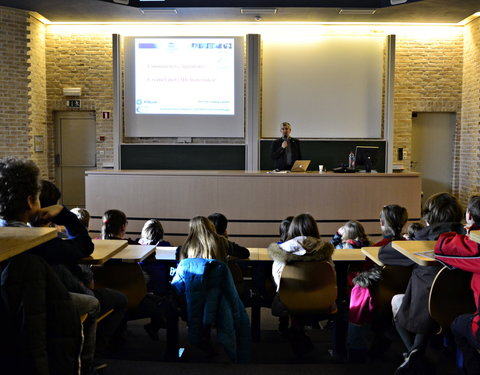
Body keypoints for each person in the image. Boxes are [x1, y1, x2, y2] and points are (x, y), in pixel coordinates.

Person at [0, 157, 98, 374]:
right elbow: (84, 247)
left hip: (6, 316)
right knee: (91, 304)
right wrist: (64, 214)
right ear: (30, 202)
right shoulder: (37, 242)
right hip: (34, 309)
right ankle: (86, 366)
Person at [379, 192, 465, 374]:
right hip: (463, 305)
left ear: (429, 216)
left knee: (398, 301)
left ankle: (414, 353)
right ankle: (416, 354)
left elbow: (384, 254)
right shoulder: (468, 238)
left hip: (424, 309)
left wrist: (408, 243)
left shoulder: (422, 239)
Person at [172, 216, 251, 362]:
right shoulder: (221, 241)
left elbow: (180, 269)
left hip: (192, 296)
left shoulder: (184, 247)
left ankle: (199, 339)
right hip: (219, 294)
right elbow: (245, 253)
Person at [268, 213, 334, 356]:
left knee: (292, 297)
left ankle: (296, 331)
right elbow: (331, 275)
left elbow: (278, 279)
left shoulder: (282, 250)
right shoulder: (325, 250)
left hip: (288, 299)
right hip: (320, 298)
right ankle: (301, 332)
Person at [434, 194, 480, 375]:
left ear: (468, 216)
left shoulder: (476, 250)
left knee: (457, 325)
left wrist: (468, 232)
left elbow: (443, 247)